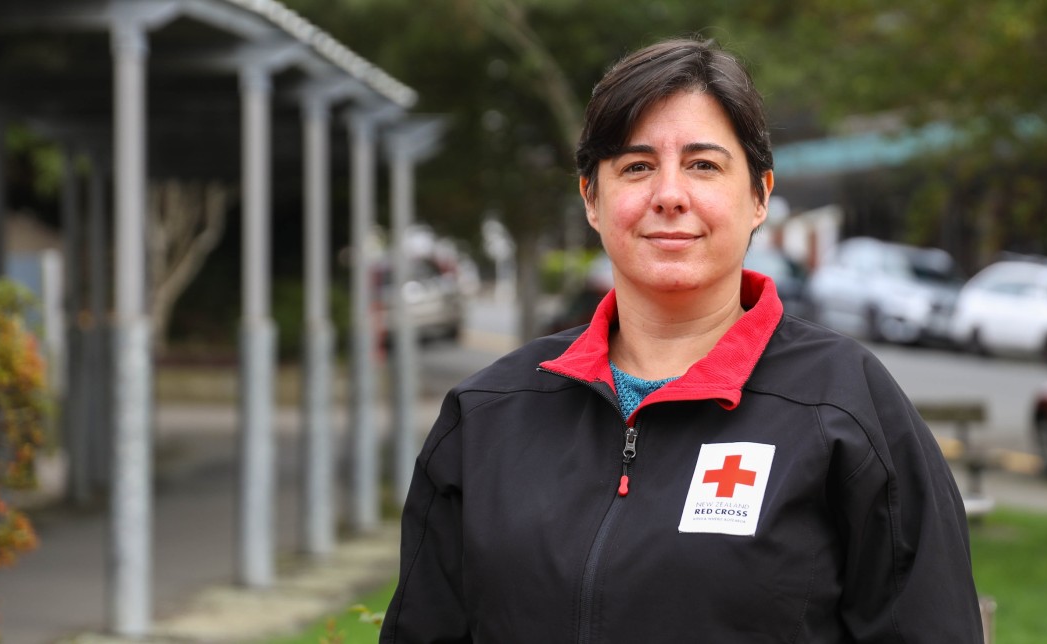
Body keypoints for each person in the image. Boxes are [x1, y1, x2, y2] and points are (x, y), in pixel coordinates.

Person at [381, 37, 983, 643]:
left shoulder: (847, 408)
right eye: (637, 166)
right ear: (592, 198)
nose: (669, 195)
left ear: (760, 197)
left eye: (703, 165)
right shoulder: (488, 415)